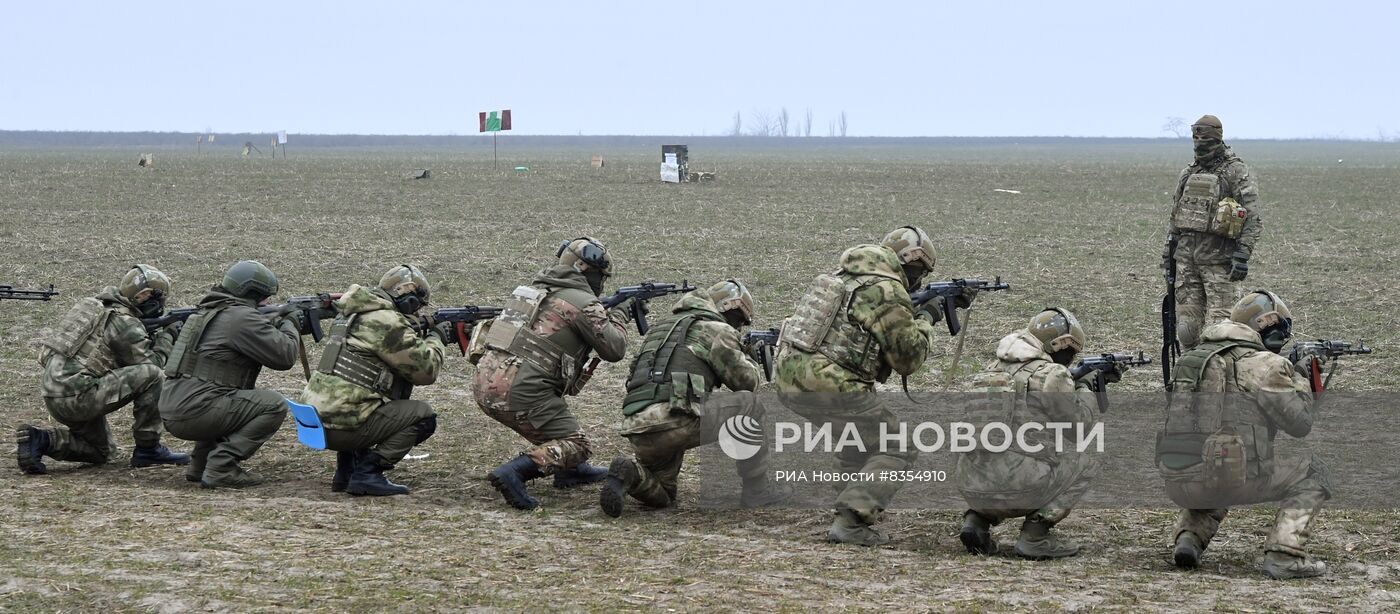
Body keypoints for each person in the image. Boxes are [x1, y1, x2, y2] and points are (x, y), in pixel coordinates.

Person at [772, 226, 940, 546]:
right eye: (920, 272)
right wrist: (927, 318)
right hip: (827, 380)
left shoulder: (846, 276)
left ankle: (850, 505)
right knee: (898, 446)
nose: (918, 281)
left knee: (859, 436)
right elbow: (908, 359)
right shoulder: (886, 289)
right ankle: (851, 520)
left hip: (788, 376)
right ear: (911, 264)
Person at [1156, 290, 1329, 579]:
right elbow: (1300, 425)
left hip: (1176, 479)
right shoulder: (1265, 364)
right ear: (1266, 326)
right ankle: (1285, 554)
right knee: (1315, 472)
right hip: (1224, 479)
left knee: (1221, 457)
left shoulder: (1194, 358)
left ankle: (1189, 538)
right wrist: (1299, 376)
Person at [600, 279, 788, 517]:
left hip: (639, 426)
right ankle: (757, 490)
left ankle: (630, 473)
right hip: (676, 420)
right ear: (728, 308)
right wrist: (748, 356)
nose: (738, 328)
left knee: (663, 494)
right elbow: (747, 383)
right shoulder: (717, 330)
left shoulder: (662, 328)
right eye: (739, 320)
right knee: (751, 406)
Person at [471, 237, 630, 510]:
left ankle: (570, 470)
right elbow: (614, 349)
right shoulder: (583, 303)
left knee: (556, 419)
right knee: (578, 444)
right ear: (584, 269)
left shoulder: (530, 292)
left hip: (486, 384)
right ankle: (515, 472)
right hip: (520, 392)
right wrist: (621, 316)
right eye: (600, 276)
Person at [957, 308, 1103, 559]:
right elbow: (1080, 429)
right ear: (1059, 345)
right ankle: (1035, 536)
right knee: (1088, 462)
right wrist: (1086, 387)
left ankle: (977, 521)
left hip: (971, 484)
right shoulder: (1051, 374)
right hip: (1019, 488)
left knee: (994, 456)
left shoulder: (991, 369)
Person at [18, 265, 190, 473]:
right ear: (144, 296)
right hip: (79, 396)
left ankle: (42, 440)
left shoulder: (98, 309)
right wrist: (168, 336)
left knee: (101, 452)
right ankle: (148, 449)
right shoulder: (125, 323)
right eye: (157, 299)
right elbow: (151, 365)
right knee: (154, 376)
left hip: (55, 394)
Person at [300, 265, 445, 496]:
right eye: (416, 306)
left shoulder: (351, 312)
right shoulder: (386, 320)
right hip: (341, 426)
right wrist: (437, 338)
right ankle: (368, 473)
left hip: (316, 418)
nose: (416, 313)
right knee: (423, 416)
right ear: (408, 299)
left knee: (361, 397)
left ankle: (346, 472)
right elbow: (425, 371)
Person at [159, 260, 300, 488]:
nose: (268, 303)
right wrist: (291, 322)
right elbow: (285, 356)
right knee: (272, 404)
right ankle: (222, 467)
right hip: (195, 411)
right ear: (252, 294)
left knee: (223, 395)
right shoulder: (240, 318)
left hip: (175, 408)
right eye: (264, 297)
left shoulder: (207, 313)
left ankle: (200, 465)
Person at [1167, 114, 1263, 349]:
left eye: (1204, 136)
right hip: (1186, 262)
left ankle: (1223, 376)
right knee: (1186, 331)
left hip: (1220, 263)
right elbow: (1175, 217)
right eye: (1195, 136)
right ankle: (1190, 375)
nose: (1199, 141)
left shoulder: (1235, 171)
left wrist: (1242, 256)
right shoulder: (1188, 173)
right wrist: (1168, 255)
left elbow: (1252, 217)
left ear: (1217, 137)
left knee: (1223, 330)